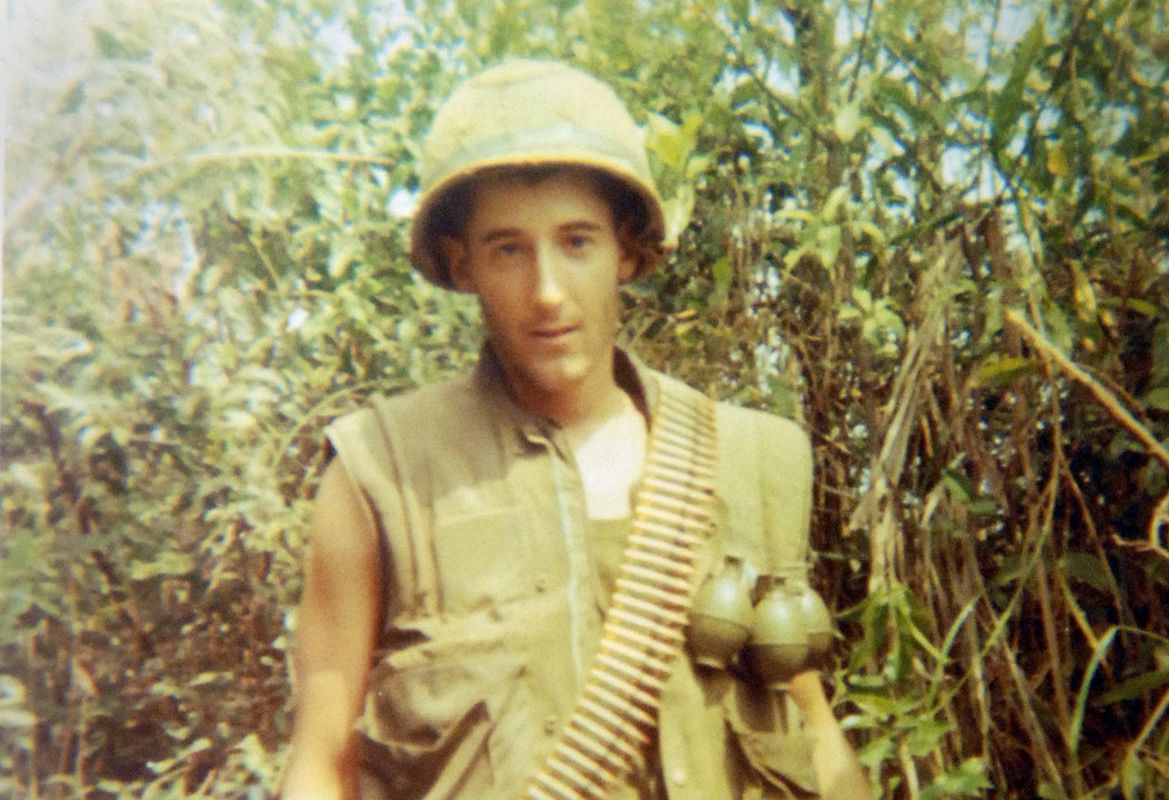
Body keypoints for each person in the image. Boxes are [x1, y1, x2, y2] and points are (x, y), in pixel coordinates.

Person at [281, 59, 870, 800]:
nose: (548, 291)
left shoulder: (748, 459)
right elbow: (320, 761)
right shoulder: (381, 475)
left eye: (577, 242)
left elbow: (807, 722)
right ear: (462, 265)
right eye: (508, 249)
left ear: (626, 250)